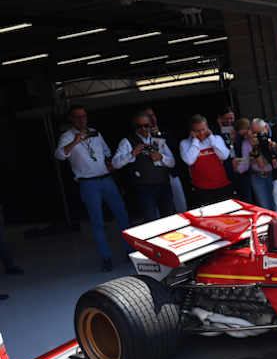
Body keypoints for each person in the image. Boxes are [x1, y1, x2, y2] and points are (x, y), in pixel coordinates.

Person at [55, 105, 131, 271]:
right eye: (78, 117)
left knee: (122, 214)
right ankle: (106, 257)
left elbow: (106, 151)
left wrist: (109, 163)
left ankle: (130, 251)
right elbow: (60, 155)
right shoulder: (67, 136)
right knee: (97, 221)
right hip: (88, 182)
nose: (82, 119)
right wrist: (75, 142)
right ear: (71, 119)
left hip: (106, 178)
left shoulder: (95, 132)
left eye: (84, 116)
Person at [112, 111, 176, 221]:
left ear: (150, 125)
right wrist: (132, 153)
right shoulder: (127, 141)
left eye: (146, 125)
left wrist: (161, 157)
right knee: (150, 220)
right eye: (139, 126)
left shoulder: (158, 139)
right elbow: (115, 164)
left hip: (163, 185)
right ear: (135, 127)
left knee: (169, 217)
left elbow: (172, 162)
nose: (143, 129)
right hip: (144, 188)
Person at [179, 114, 233, 207]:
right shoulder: (185, 143)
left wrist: (211, 138)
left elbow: (224, 156)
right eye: (197, 131)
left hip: (222, 185)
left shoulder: (216, 139)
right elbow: (189, 161)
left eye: (203, 129)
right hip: (201, 189)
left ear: (207, 128)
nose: (201, 133)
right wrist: (195, 141)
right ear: (192, 131)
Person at [144, 107, 187, 212]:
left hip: (172, 173)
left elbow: (175, 150)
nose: (151, 119)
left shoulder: (166, 131)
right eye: (148, 116)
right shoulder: (143, 136)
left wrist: (158, 135)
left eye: (152, 115)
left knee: (180, 204)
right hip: (156, 177)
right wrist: (152, 136)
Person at [242, 118, 275, 211]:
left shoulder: (265, 140)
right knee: (265, 205)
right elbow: (245, 164)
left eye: (254, 132)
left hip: (272, 175)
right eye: (251, 132)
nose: (253, 134)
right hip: (257, 176)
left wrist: (255, 148)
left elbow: (262, 164)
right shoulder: (246, 144)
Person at [231, 117, 254, 204]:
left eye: (245, 133)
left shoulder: (252, 140)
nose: (245, 136)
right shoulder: (241, 140)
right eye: (242, 134)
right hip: (243, 171)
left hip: (251, 171)